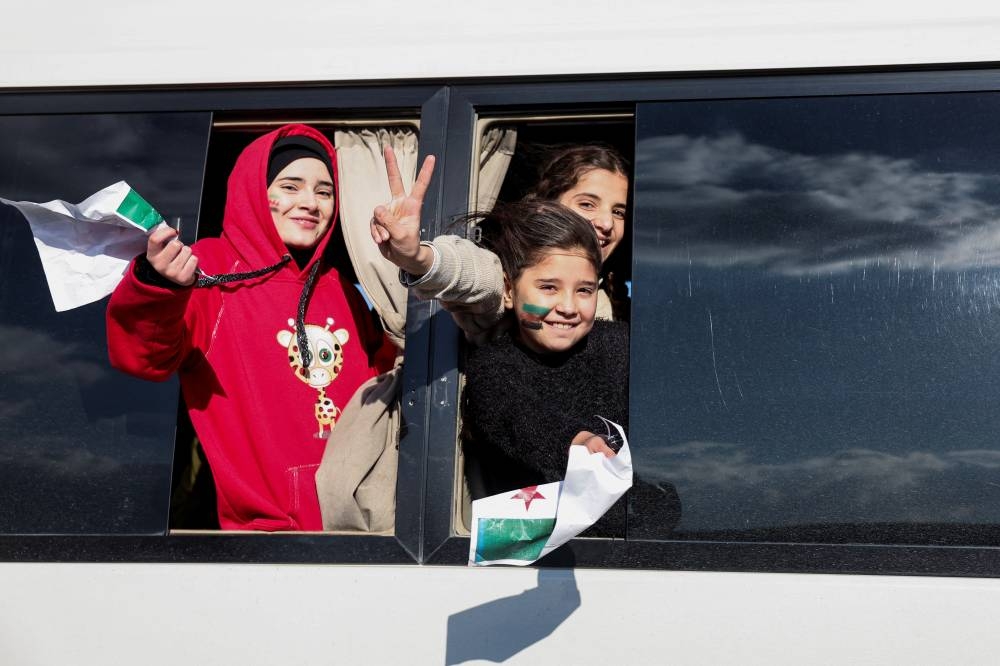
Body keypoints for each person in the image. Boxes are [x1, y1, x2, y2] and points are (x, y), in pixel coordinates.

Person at [106, 124, 432, 531]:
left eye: (324, 192)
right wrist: (157, 286)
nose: (310, 203)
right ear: (255, 193)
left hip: (360, 526)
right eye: (290, 186)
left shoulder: (344, 286)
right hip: (270, 540)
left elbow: (386, 381)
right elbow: (143, 357)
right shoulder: (211, 270)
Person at [373, 144, 631, 344]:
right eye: (587, 204)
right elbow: (475, 274)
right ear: (545, 208)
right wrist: (418, 258)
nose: (607, 223)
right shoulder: (514, 278)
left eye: (619, 212)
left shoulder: (608, 299)